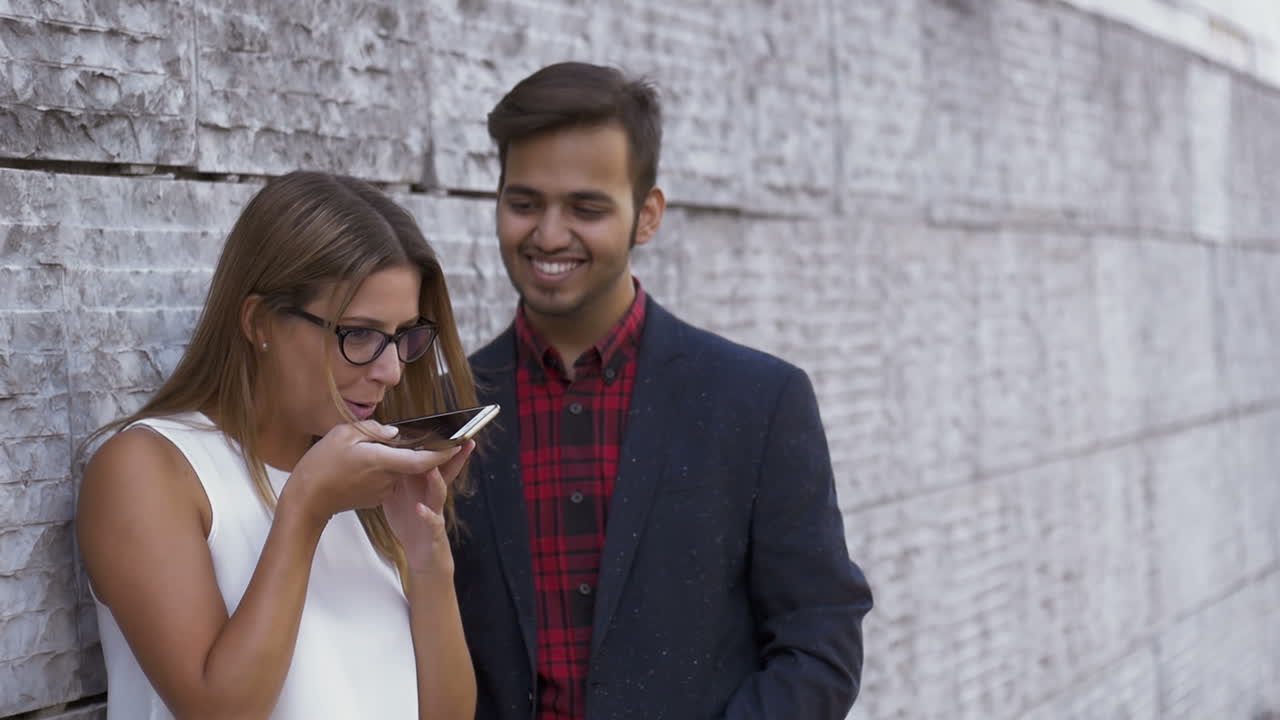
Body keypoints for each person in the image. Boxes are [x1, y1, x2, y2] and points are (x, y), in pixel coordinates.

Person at [452, 62, 874, 720]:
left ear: (646, 215)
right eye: (525, 203)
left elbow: (820, 642)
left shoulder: (758, 403)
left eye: (586, 208)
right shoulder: (447, 407)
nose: (549, 234)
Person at [77, 171, 478, 720]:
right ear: (260, 321)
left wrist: (428, 557)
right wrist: (306, 511)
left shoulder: (359, 481)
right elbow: (221, 711)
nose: (390, 371)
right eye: (359, 333)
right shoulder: (149, 470)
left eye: (403, 335)